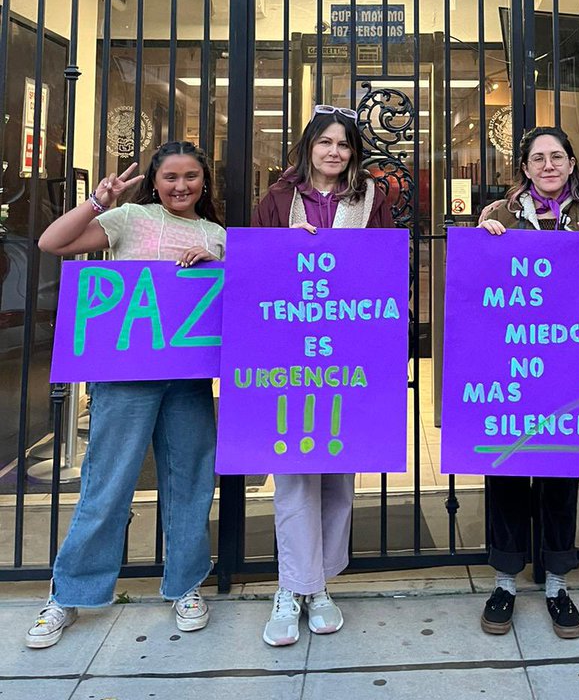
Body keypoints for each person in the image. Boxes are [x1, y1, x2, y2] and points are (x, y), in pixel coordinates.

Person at [26, 142, 225, 649]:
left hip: (187, 378)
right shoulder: (131, 217)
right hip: (123, 375)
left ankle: (185, 586)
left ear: (205, 182)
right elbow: (53, 242)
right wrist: (99, 202)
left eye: (192, 177)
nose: (182, 186)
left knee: (190, 481)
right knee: (107, 483)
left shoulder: (215, 235)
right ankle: (69, 594)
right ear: (155, 181)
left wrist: (212, 260)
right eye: (171, 177)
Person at [252, 104, 394, 647]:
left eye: (344, 145)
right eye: (325, 143)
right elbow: (258, 269)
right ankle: (292, 587)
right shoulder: (275, 200)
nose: (334, 153)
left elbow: (387, 269)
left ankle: (321, 585)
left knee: (338, 475)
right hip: (290, 353)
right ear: (308, 145)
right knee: (293, 473)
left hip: (352, 353)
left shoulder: (371, 200)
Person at [478, 125, 579, 640]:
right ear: (525, 167)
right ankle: (505, 581)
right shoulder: (499, 216)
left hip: (569, 371)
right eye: (538, 158)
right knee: (507, 468)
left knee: (560, 469)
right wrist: (485, 240)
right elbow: (478, 291)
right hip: (510, 367)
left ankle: (556, 582)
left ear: (573, 163)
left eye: (557, 156)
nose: (549, 165)